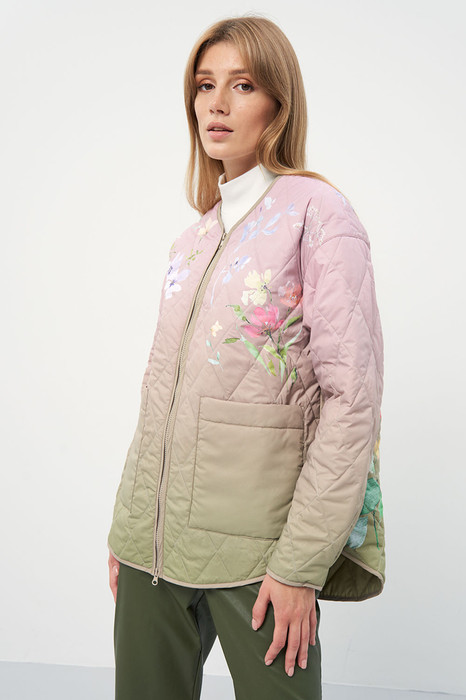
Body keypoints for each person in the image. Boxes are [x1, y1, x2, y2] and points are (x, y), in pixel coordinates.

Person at [107, 14, 385, 700]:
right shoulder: (193, 240)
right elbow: (159, 392)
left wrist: (301, 564)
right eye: (205, 85)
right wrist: (129, 528)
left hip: (262, 558)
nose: (217, 104)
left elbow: (351, 399)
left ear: (278, 103)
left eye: (242, 84)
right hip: (152, 553)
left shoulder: (319, 213)